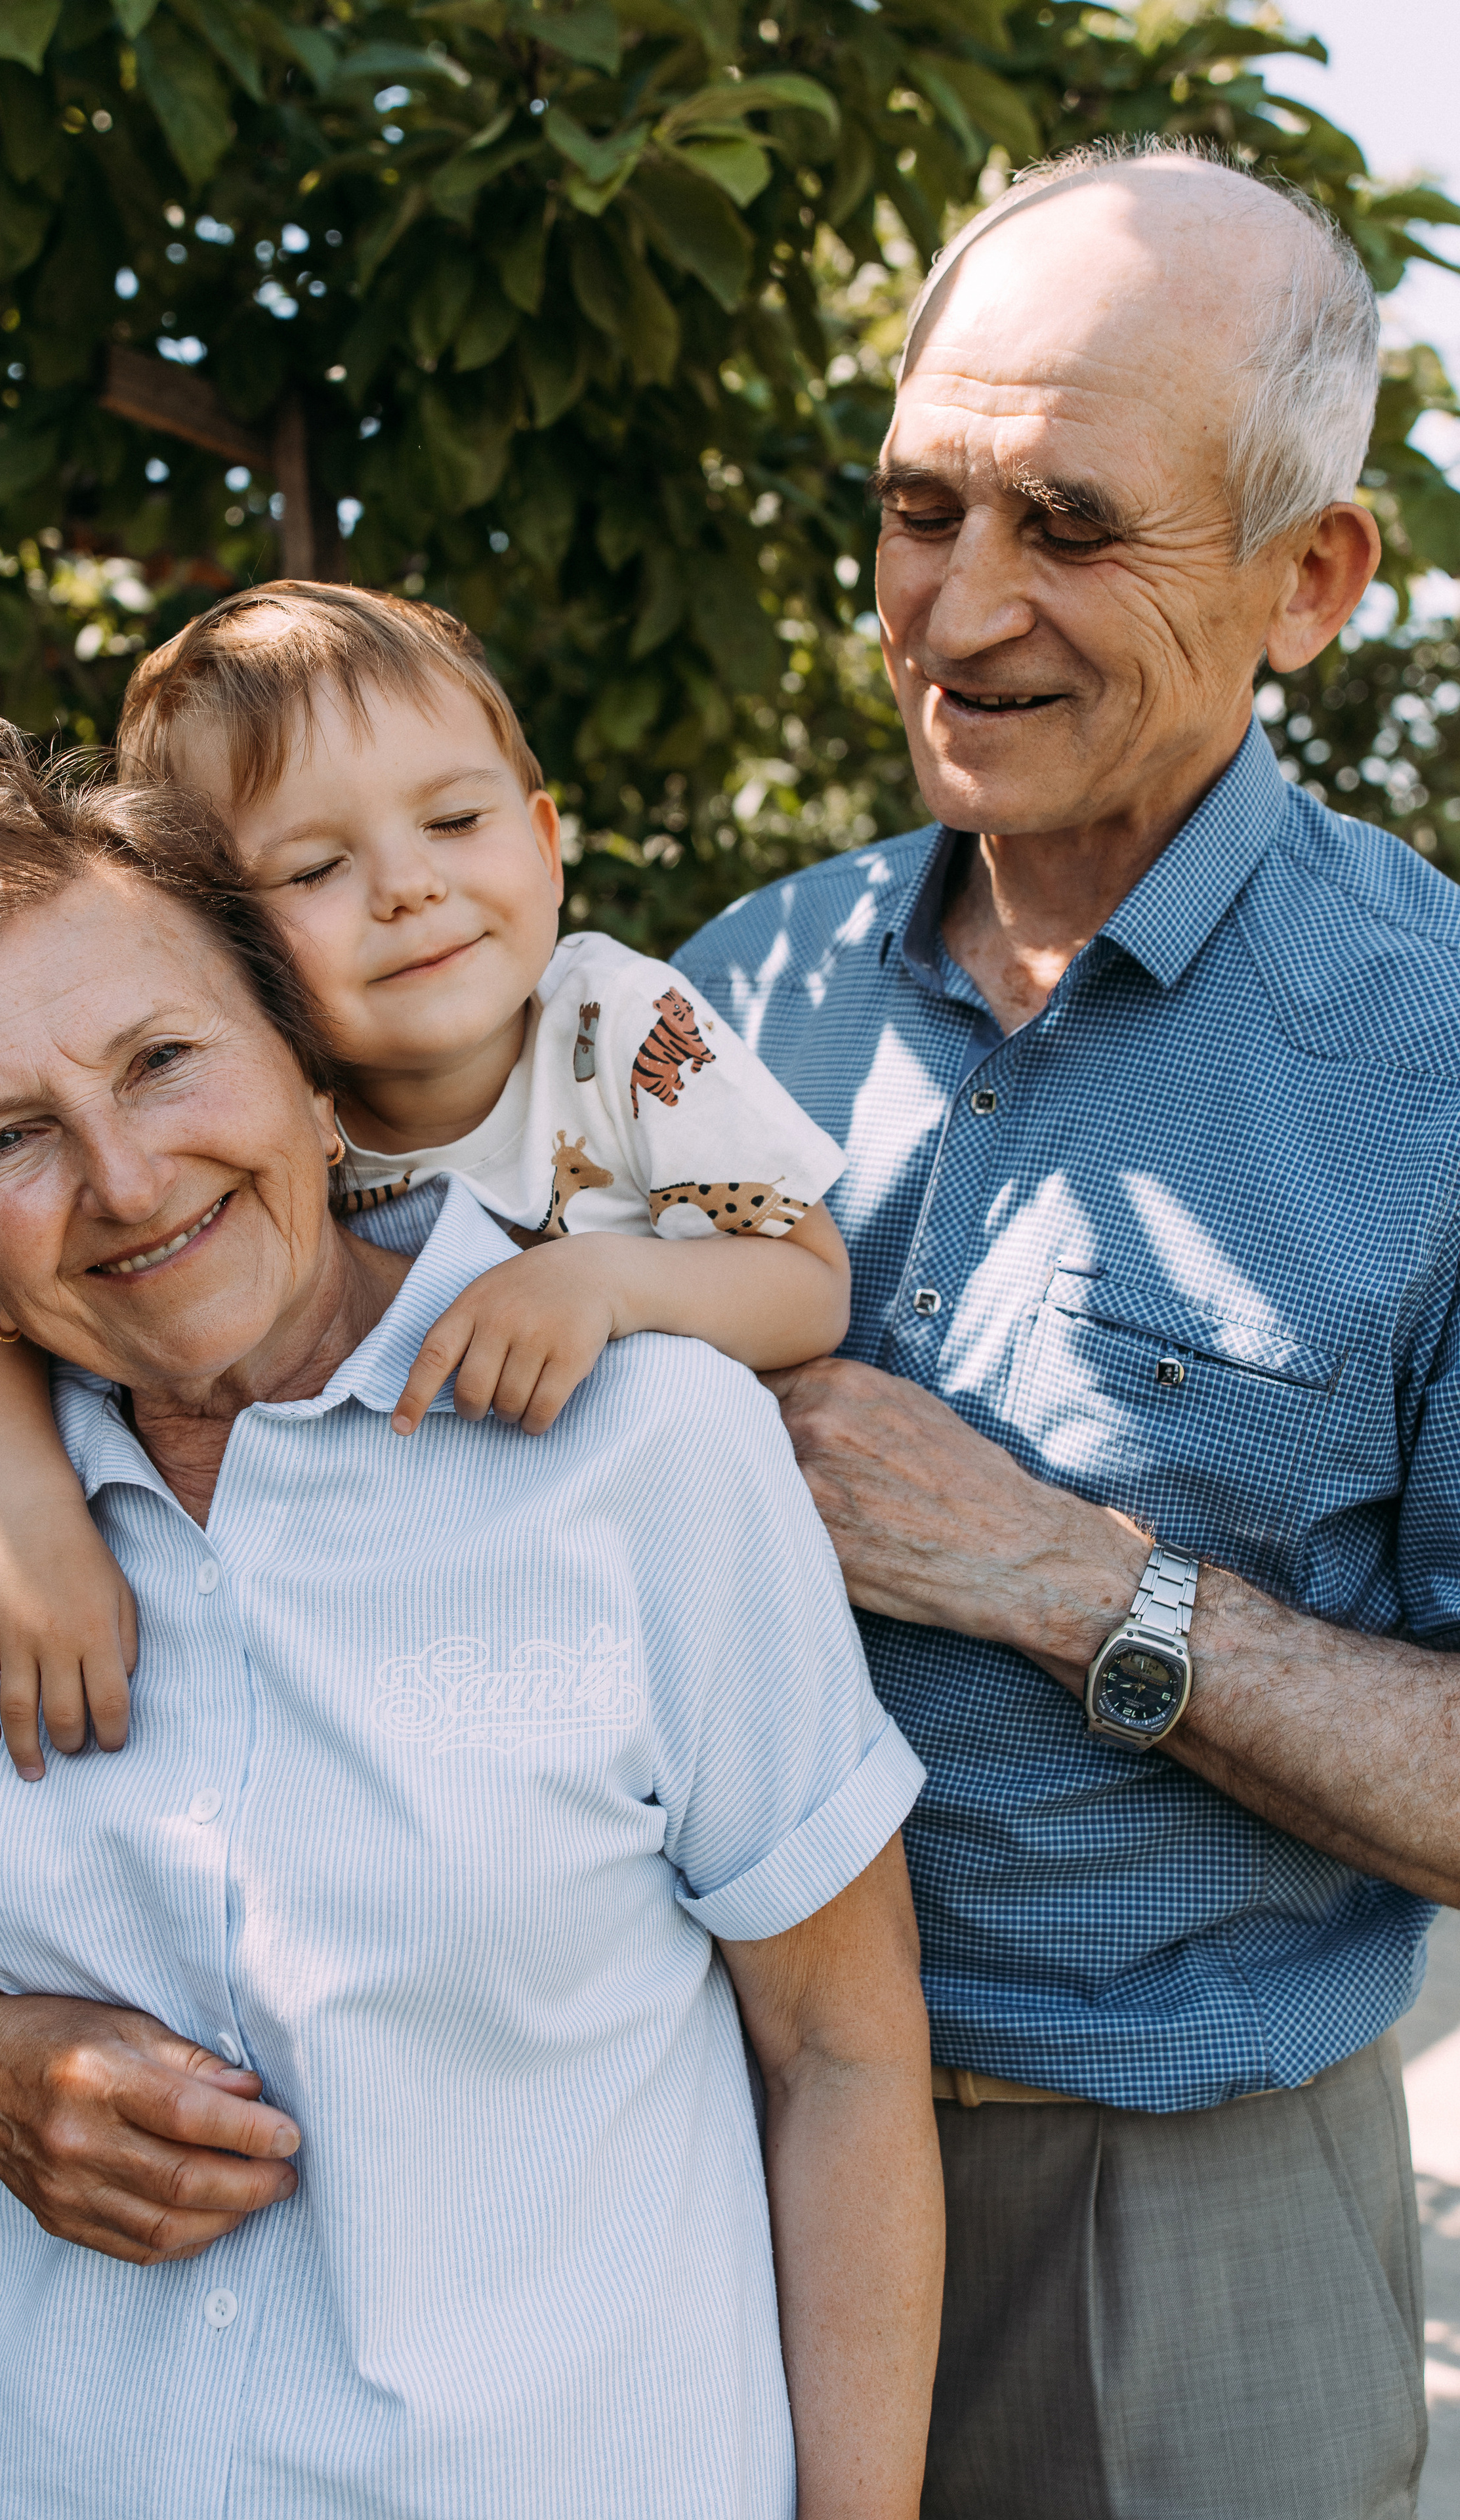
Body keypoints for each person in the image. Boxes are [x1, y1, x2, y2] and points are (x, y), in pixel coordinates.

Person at [0, 724, 943, 2520]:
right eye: (10, 1138)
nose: (127, 1177)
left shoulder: (647, 1448)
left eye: (165, 1059)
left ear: (309, 1068)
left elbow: (847, 2052)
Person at [675, 136, 1448, 2518]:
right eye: (922, 508)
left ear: (1311, 578)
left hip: (1159, 2248)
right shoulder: (736, 991)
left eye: (1074, 528)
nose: (959, 606)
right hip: (672, 2169)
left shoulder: (1438, 1056)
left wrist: (1058, 1579)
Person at [0, 585, 852, 1778]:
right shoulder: (256, 1120)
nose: (408, 887)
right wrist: (29, 1513)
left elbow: (812, 1283)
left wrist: (608, 1281)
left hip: (684, 1596)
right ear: (226, 950)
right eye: (313, 869)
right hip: (413, 1607)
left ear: (548, 846)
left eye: (456, 821)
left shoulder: (620, 1026)